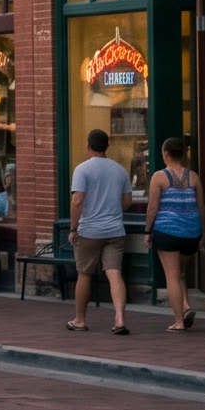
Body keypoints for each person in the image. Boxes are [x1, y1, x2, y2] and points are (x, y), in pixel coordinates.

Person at [67, 128, 130, 335]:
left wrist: (73, 228)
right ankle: (120, 319)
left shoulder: (82, 170)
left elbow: (77, 201)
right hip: (115, 230)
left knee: (84, 274)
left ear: (88, 146)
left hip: (89, 231)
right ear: (108, 145)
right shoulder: (120, 170)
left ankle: (80, 320)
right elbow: (127, 202)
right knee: (114, 273)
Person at [148, 135, 203, 332]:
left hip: (167, 231)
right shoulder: (193, 176)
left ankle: (179, 321)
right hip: (192, 233)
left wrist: (147, 231)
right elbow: (201, 206)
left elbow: (153, 207)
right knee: (180, 272)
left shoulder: (159, 177)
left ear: (166, 154)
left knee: (171, 276)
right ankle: (186, 307)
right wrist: (202, 233)